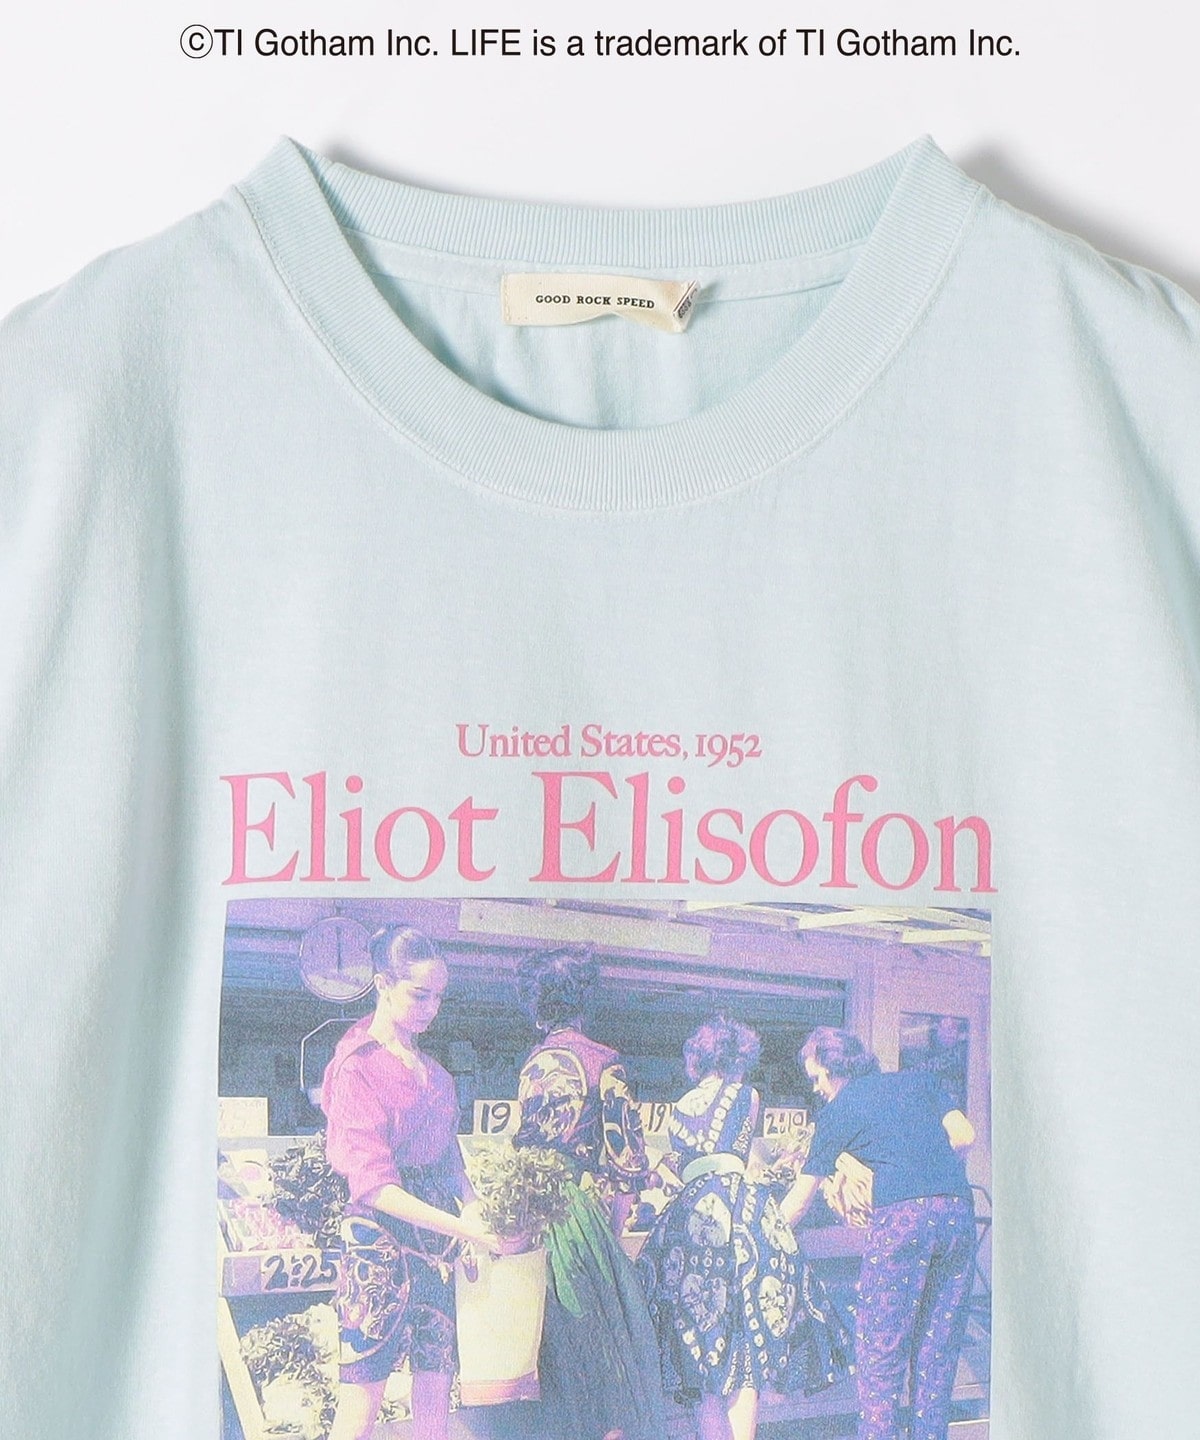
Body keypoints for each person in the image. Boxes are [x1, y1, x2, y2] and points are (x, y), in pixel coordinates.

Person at [320, 925, 500, 1440]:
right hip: (376, 1245)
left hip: (435, 1249)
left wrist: (473, 1206)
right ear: (382, 983)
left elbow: (449, 1158)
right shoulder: (356, 1067)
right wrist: (464, 1230)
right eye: (420, 995)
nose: (431, 1008)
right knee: (362, 1402)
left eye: (439, 997)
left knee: (435, 1397)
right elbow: (374, 1186)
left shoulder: (437, 1075)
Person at [637, 1016, 854, 1440]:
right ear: (737, 1057)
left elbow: (688, 1166)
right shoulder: (746, 1096)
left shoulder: (679, 1108)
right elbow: (738, 1159)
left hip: (689, 1221)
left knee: (701, 1358)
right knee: (745, 1360)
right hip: (738, 1216)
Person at [779, 1028, 977, 1440]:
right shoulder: (920, 1081)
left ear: (832, 1067)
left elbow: (799, 1201)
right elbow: (964, 1136)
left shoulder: (839, 1110)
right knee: (937, 1352)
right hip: (957, 1213)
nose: (816, 1089)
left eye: (816, 1078)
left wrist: (760, 1231)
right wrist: (926, 1172)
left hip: (902, 1221)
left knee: (881, 1356)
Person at [513, 945, 667, 1440]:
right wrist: (613, 1233)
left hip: (533, 1211)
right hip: (580, 1214)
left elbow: (523, 1144)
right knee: (610, 1364)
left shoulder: (533, 1064)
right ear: (585, 1000)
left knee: (554, 1360)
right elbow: (627, 1162)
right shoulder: (604, 1062)